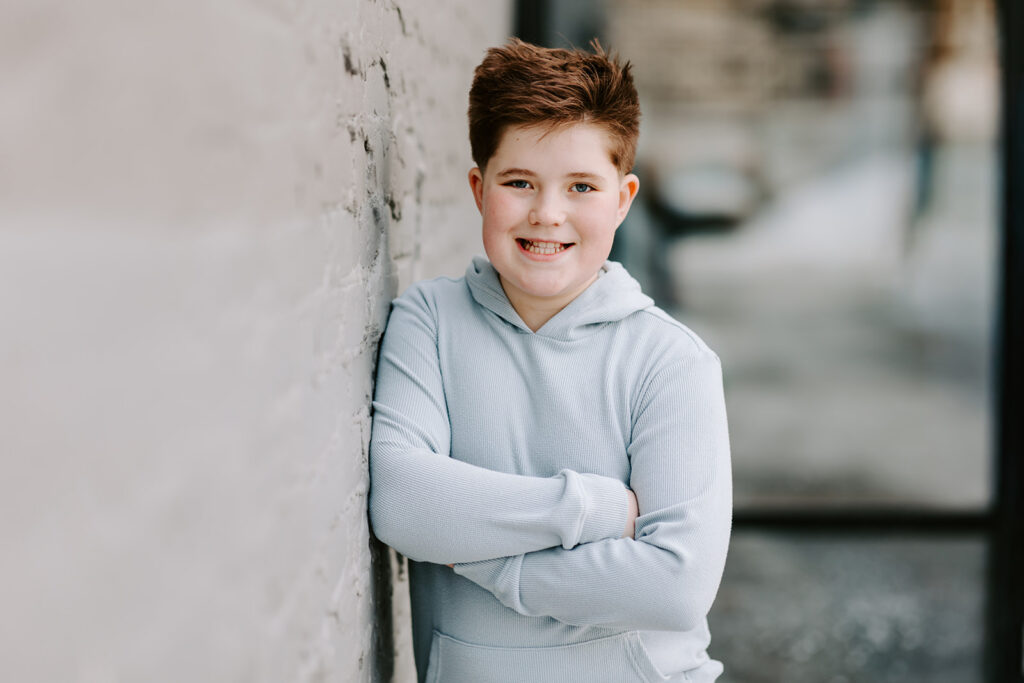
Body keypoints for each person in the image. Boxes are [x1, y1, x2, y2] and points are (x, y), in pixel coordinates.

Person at [368, 38, 731, 683]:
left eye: (581, 186)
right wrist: (591, 509)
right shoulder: (429, 322)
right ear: (480, 189)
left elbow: (675, 587)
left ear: (623, 199)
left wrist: (481, 558)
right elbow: (401, 501)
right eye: (520, 183)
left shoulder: (670, 361)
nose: (548, 213)